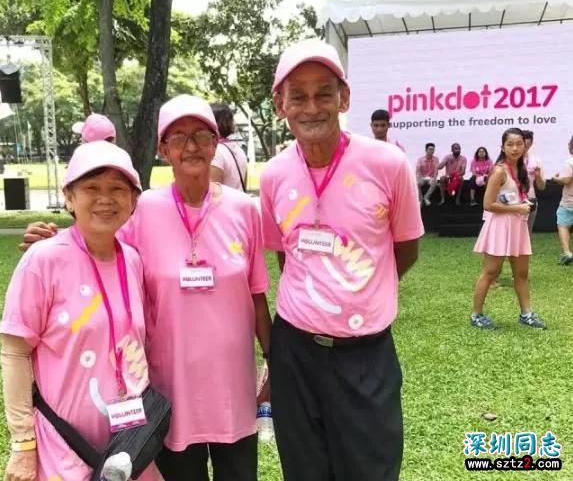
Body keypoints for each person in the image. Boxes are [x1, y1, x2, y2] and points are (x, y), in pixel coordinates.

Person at [20, 95, 272, 481]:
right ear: (163, 149)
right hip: (169, 391)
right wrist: (54, 241)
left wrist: (274, 362)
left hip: (232, 389)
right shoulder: (144, 209)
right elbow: (98, 245)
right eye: (178, 137)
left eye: (201, 135)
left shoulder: (244, 210)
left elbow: (256, 296)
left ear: (216, 143)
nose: (191, 146)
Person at [260, 38, 423, 481]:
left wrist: (363, 292)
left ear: (344, 98)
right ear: (281, 105)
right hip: (295, 352)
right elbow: (287, 256)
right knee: (304, 470)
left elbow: (406, 247)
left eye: (324, 93)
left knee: (371, 470)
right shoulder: (274, 175)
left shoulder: (388, 164)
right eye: (298, 96)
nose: (312, 107)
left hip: (365, 354)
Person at [1, 141, 159, 480]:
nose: (105, 198)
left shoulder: (132, 260)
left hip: (129, 447)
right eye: (92, 188)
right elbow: (14, 353)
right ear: (69, 197)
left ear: (133, 200)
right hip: (65, 450)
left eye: (118, 189)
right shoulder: (43, 260)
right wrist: (23, 443)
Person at [471, 128, 546, 330]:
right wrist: (518, 208)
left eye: (519, 144)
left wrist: (523, 205)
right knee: (490, 272)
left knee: (521, 273)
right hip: (500, 226)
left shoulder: (521, 170)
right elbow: (487, 204)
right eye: (510, 144)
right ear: (502, 147)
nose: (515, 148)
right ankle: (476, 315)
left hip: (517, 226)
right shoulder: (499, 171)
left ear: (525, 145)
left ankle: (526, 314)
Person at [210, 103, 248, 192]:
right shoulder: (238, 149)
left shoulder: (215, 152)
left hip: (223, 201)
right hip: (239, 200)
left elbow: (212, 194)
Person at [552, 135, 573, 265]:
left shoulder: (569, 162)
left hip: (569, 202)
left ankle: (567, 252)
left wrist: (555, 178)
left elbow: (566, 180)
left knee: (563, 225)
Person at [522, 130, 546, 234]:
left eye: (527, 144)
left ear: (531, 144)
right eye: (521, 143)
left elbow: (541, 187)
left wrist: (538, 176)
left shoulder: (536, 161)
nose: (524, 147)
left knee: (527, 233)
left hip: (530, 199)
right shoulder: (510, 160)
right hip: (512, 200)